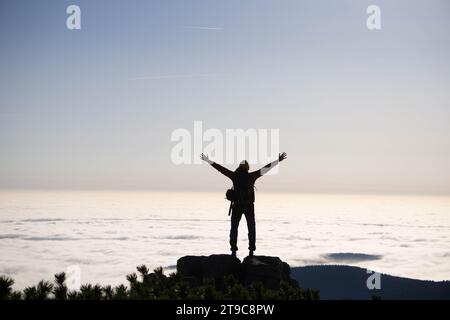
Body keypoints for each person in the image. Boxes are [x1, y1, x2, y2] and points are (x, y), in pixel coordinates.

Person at [200, 152, 287, 257]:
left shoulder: (234, 176)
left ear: (239, 167)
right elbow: (266, 168)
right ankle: (251, 250)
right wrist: (278, 160)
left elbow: (221, 169)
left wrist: (208, 161)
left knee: (234, 228)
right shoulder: (252, 176)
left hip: (236, 206)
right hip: (249, 206)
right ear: (247, 168)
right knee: (251, 227)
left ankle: (233, 250)